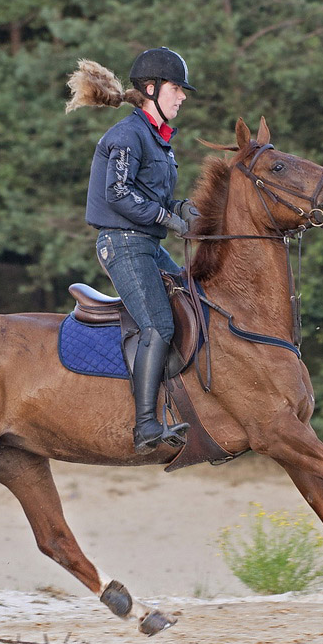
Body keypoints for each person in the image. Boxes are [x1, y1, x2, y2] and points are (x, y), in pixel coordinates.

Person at [66, 47, 199, 453]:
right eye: (177, 88)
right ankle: (145, 426)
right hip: (123, 245)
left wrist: (183, 210)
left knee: (192, 302)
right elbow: (119, 195)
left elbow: (149, 196)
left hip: (146, 244)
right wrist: (167, 219)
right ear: (152, 88)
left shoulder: (159, 142)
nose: (182, 97)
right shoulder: (127, 135)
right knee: (158, 326)